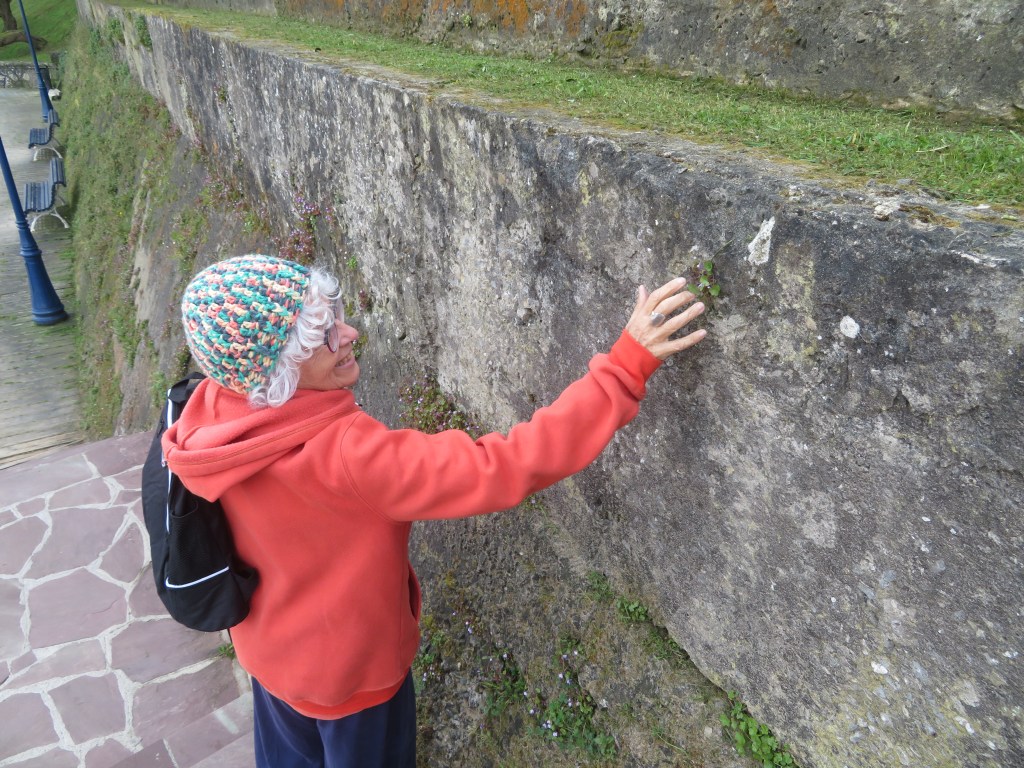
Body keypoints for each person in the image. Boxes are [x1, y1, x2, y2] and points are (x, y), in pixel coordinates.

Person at [162, 253, 707, 768]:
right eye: (323, 335)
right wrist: (625, 366)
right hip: (352, 680)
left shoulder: (209, 412)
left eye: (337, 315)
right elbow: (505, 465)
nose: (349, 334)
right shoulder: (350, 458)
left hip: (270, 659)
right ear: (279, 370)